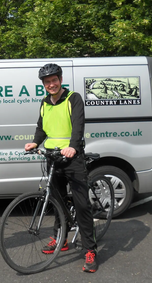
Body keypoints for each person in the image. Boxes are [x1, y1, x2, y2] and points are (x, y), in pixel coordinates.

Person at [24, 63, 98, 273]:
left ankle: (90, 250)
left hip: (72, 158)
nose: (51, 84)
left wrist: (73, 147)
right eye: (47, 82)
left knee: (81, 204)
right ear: (44, 85)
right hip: (53, 157)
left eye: (54, 80)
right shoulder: (45, 102)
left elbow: (78, 126)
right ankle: (61, 239)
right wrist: (35, 143)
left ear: (60, 79)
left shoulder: (73, 98)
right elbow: (41, 128)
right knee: (56, 201)